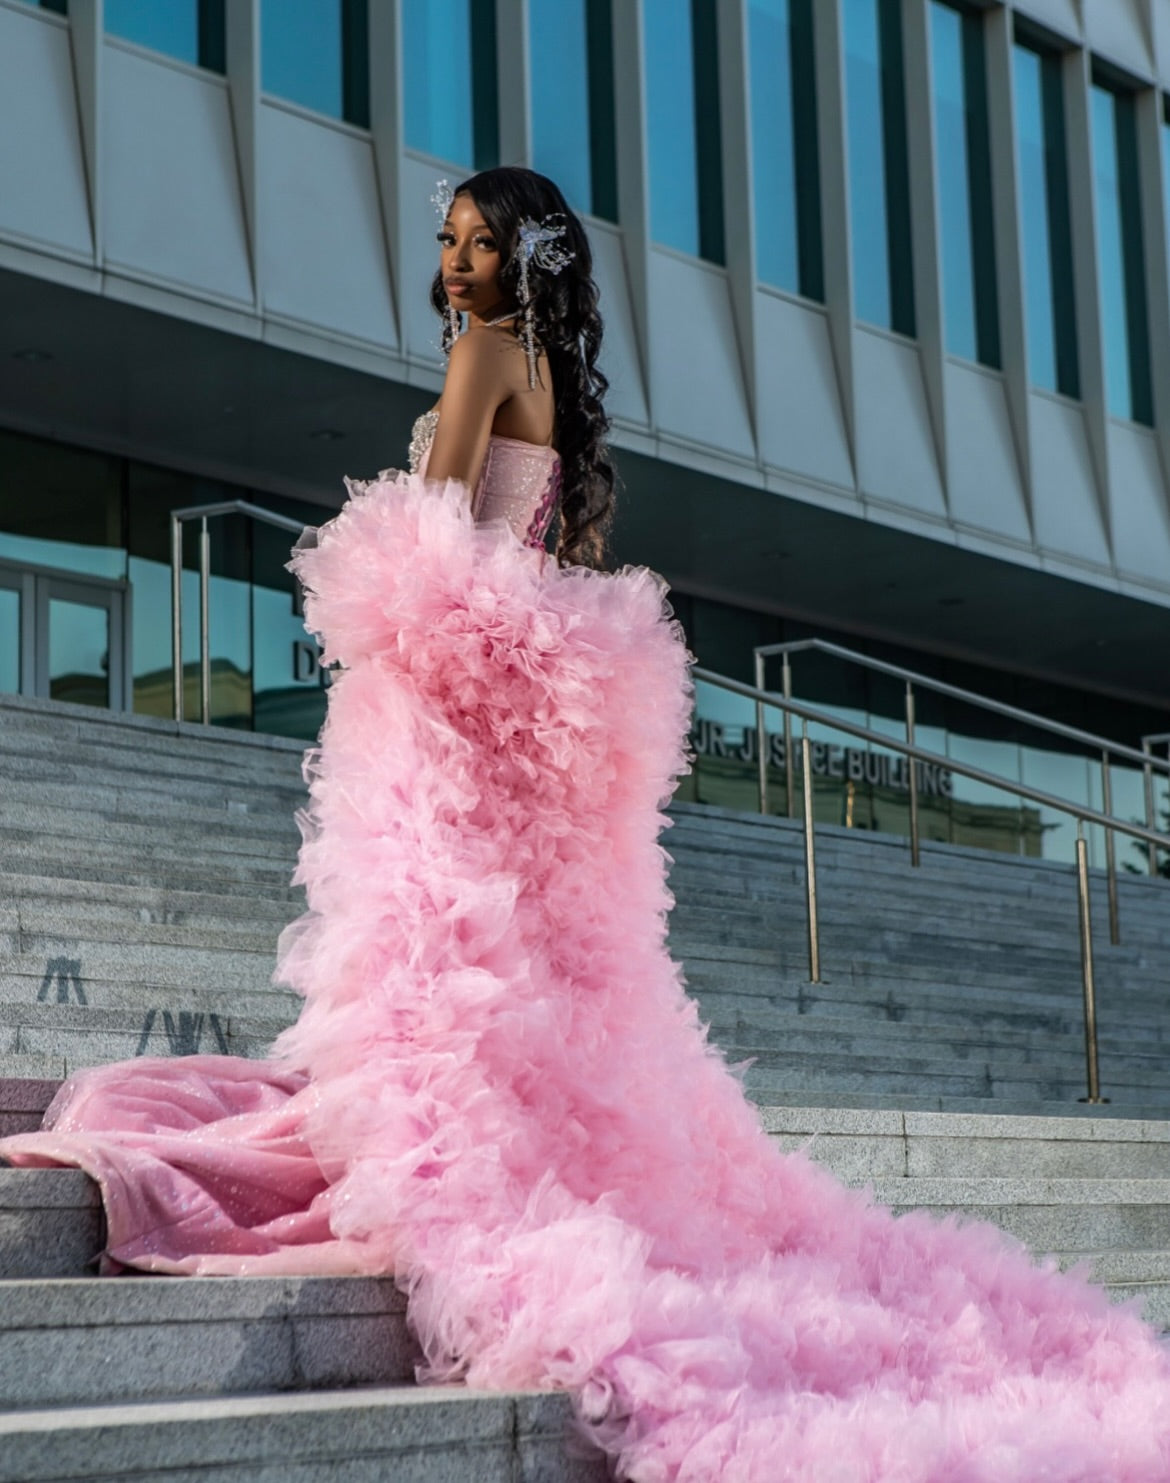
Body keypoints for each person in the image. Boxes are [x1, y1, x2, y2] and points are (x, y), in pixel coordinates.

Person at [3, 167, 1169, 1482]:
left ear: (523, 262)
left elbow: (430, 541)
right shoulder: (541, 371)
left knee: (438, 970)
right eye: (444, 243)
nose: (452, 266)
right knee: (487, 985)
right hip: (501, 713)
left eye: (475, 244)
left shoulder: (487, 358)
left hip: (454, 719)